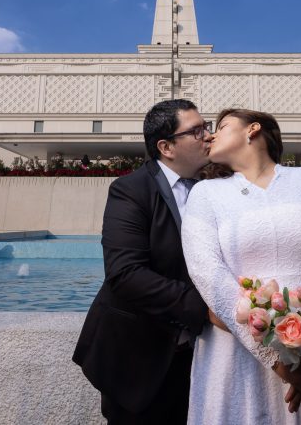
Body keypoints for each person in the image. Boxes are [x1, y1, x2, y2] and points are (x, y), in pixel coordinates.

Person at [181, 108, 301, 424]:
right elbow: (208, 274)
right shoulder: (205, 193)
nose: (211, 135)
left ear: (253, 130)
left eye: (222, 127)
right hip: (233, 358)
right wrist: (281, 362)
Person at [73, 99, 217, 424]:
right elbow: (125, 274)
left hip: (199, 360)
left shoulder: (215, 189)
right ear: (166, 147)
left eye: (207, 127)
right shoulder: (130, 190)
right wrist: (206, 309)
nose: (208, 135)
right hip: (139, 362)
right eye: (197, 130)